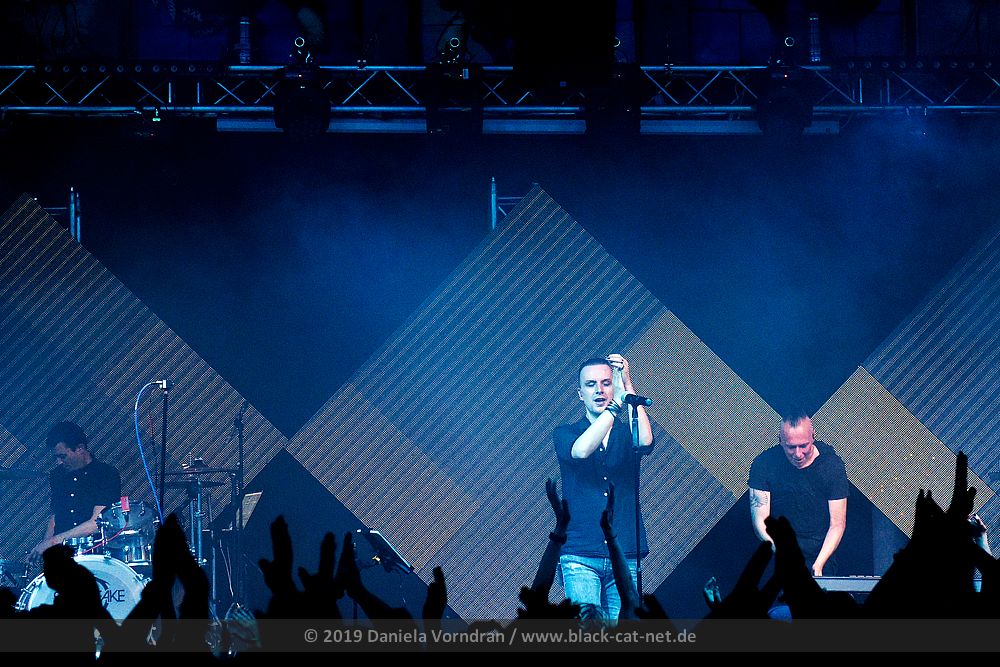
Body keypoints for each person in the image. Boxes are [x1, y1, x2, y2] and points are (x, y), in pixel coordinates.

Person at [553, 354, 653, 620]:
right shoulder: (566, 433)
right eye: (591, 384)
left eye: (606, 383)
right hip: (581, 551)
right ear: (580, 393)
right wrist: (614, 407)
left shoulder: (626, 432)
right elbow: (581, 451)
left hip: (624, 550)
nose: (599, 390)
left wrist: (627, 386)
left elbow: (644, 441)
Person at [748, 412, 848, 576]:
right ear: (780, 440)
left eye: (803, 446)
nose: (798, 454)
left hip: (820, 554)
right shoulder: (764, 464)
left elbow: (837, 523)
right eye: (791, 447)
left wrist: (819, 564)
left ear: (813, 436)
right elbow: (760, 521)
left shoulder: (832, 466)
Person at [30, 421, 121, 561]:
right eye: (56, 457)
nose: (59, 462)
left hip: (94, 554)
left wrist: (54, 541)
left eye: (63, 456)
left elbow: (97, 523)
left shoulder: (106, 474)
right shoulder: (57, 475)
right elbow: (55, 516)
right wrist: (45, 546)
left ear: (80, 448)